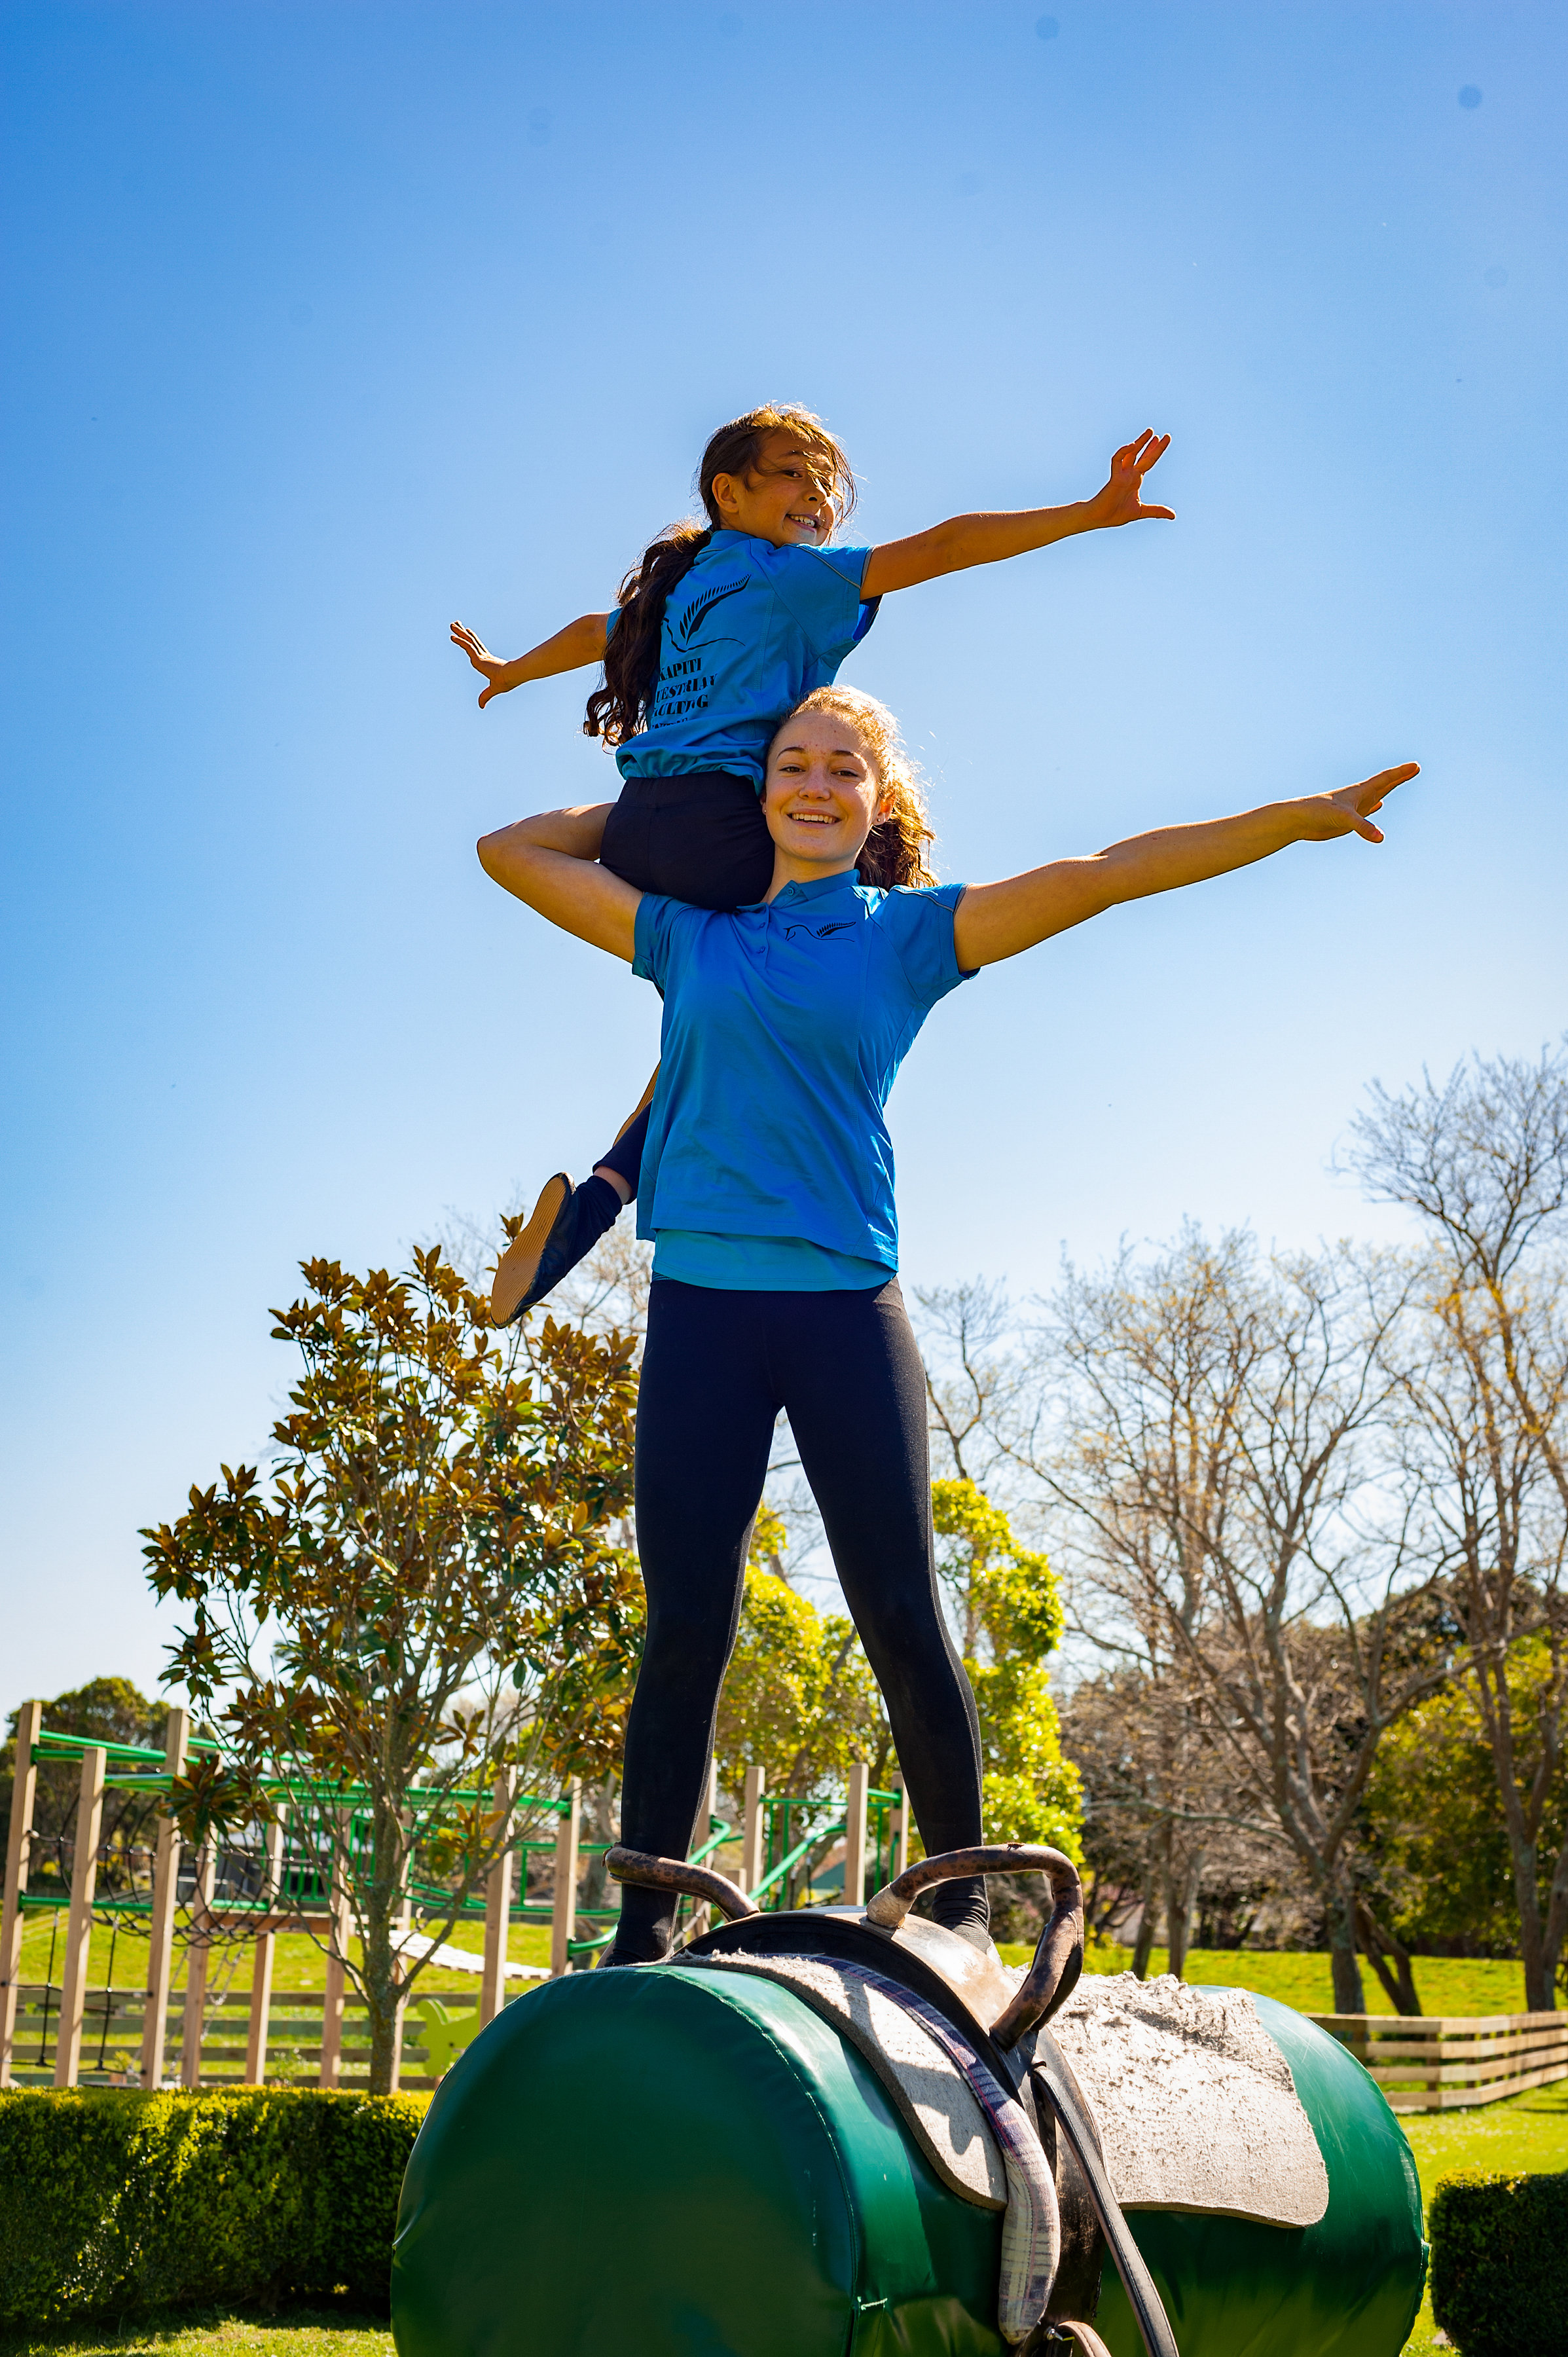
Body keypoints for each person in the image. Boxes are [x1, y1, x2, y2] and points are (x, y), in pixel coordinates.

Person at [476, 680, 1417, 1963]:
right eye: (791, 764)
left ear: (877, 802)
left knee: (900, 1607)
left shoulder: (909, 937)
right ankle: (644, 1920)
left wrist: (1299, 818)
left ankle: (961, 1905)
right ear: (760, 794)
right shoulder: (683, 938)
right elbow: (509, 852)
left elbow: (1107, 872)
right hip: (701, 1305)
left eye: (842, 767)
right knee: (686, 1617)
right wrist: (667, 799)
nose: (814, 783)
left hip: (844, 1309)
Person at [452, 401, 1173, 1321]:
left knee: (709, 1018)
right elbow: (947, 547)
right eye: (793, 471)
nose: (817, 493)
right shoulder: (791, 576)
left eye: (828, 480)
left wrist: (513, 671)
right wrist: (1083, 514)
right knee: (825, 958)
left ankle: (598, 1198)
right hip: (725, 833)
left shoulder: (679, 586)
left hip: (638, 829)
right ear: (730, 491)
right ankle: (617, 1198)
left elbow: (599, 629)